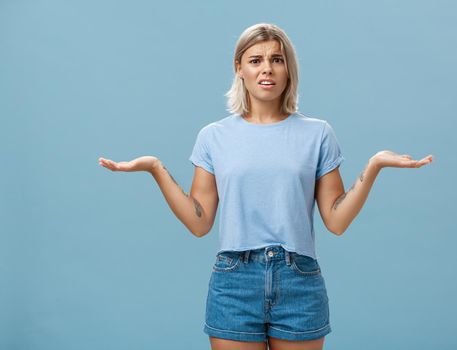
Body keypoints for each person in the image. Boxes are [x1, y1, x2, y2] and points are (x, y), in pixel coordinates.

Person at [99, 23, 433, 350]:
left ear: (289, 69)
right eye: (255, 60)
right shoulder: (213, 137)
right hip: (234, 281)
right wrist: (155, 169)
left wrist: (374, 165)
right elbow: (199, 222)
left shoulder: (317, 134)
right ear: (239, 68)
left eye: (277, 59)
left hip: (298, 279)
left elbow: (336, 220)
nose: (267, 70)